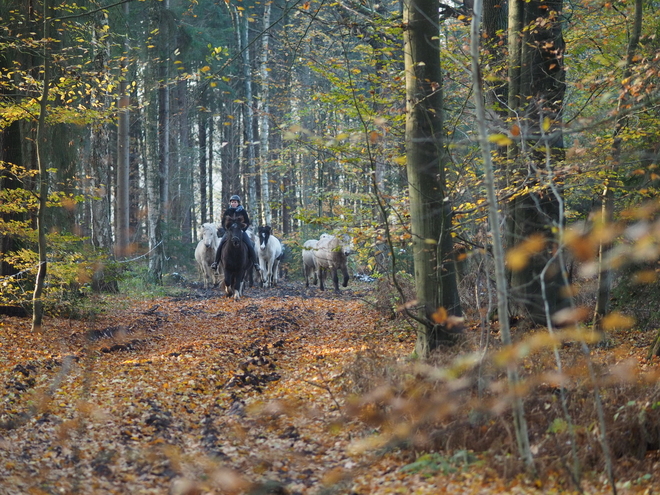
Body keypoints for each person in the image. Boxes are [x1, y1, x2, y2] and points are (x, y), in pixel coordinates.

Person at [211, 195, 261, 272]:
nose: (233, 203)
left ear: (238, 203)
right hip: (229, 232)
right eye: (232, 202)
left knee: (250, 245)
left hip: (240, 232)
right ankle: (215, 263)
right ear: (230, 203)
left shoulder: (243, 211)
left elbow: (247, 222)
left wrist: (243, 230)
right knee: (220, 245)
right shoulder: (227, 212)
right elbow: (223, 223)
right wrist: (227, 230)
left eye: (235, 202)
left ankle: (255, 263)